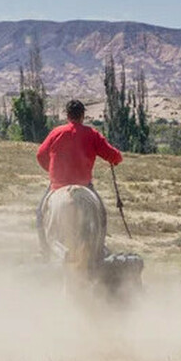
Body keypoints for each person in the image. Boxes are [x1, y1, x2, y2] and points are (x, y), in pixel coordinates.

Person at [35, 99, 123, 249]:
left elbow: (40, 155)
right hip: (84, 186)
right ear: (82, 116)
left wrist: (52, 172)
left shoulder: (56, 133)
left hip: (58, 186)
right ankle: (99, 248)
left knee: (39, 215)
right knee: (101, 214)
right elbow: (114, 155)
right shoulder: (92, 134)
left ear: (67, 116)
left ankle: (45, 251)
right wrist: (115, 159)